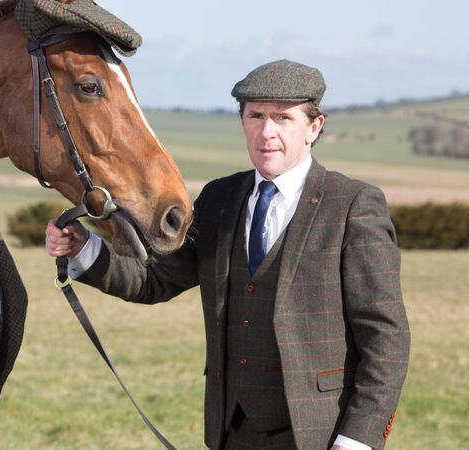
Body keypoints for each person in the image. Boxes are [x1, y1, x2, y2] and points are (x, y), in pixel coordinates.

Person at [45, 59, 410, 450]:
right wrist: (85, 249)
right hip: (230, 431)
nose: (267, 132)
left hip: (321, 435)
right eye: (256, 116)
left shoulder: (353, 204)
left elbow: (386, 336)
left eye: (283, 118)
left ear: (314, 127)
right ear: (242, 122)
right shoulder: (220, 198)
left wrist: (357, 439)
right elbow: (153, 279)